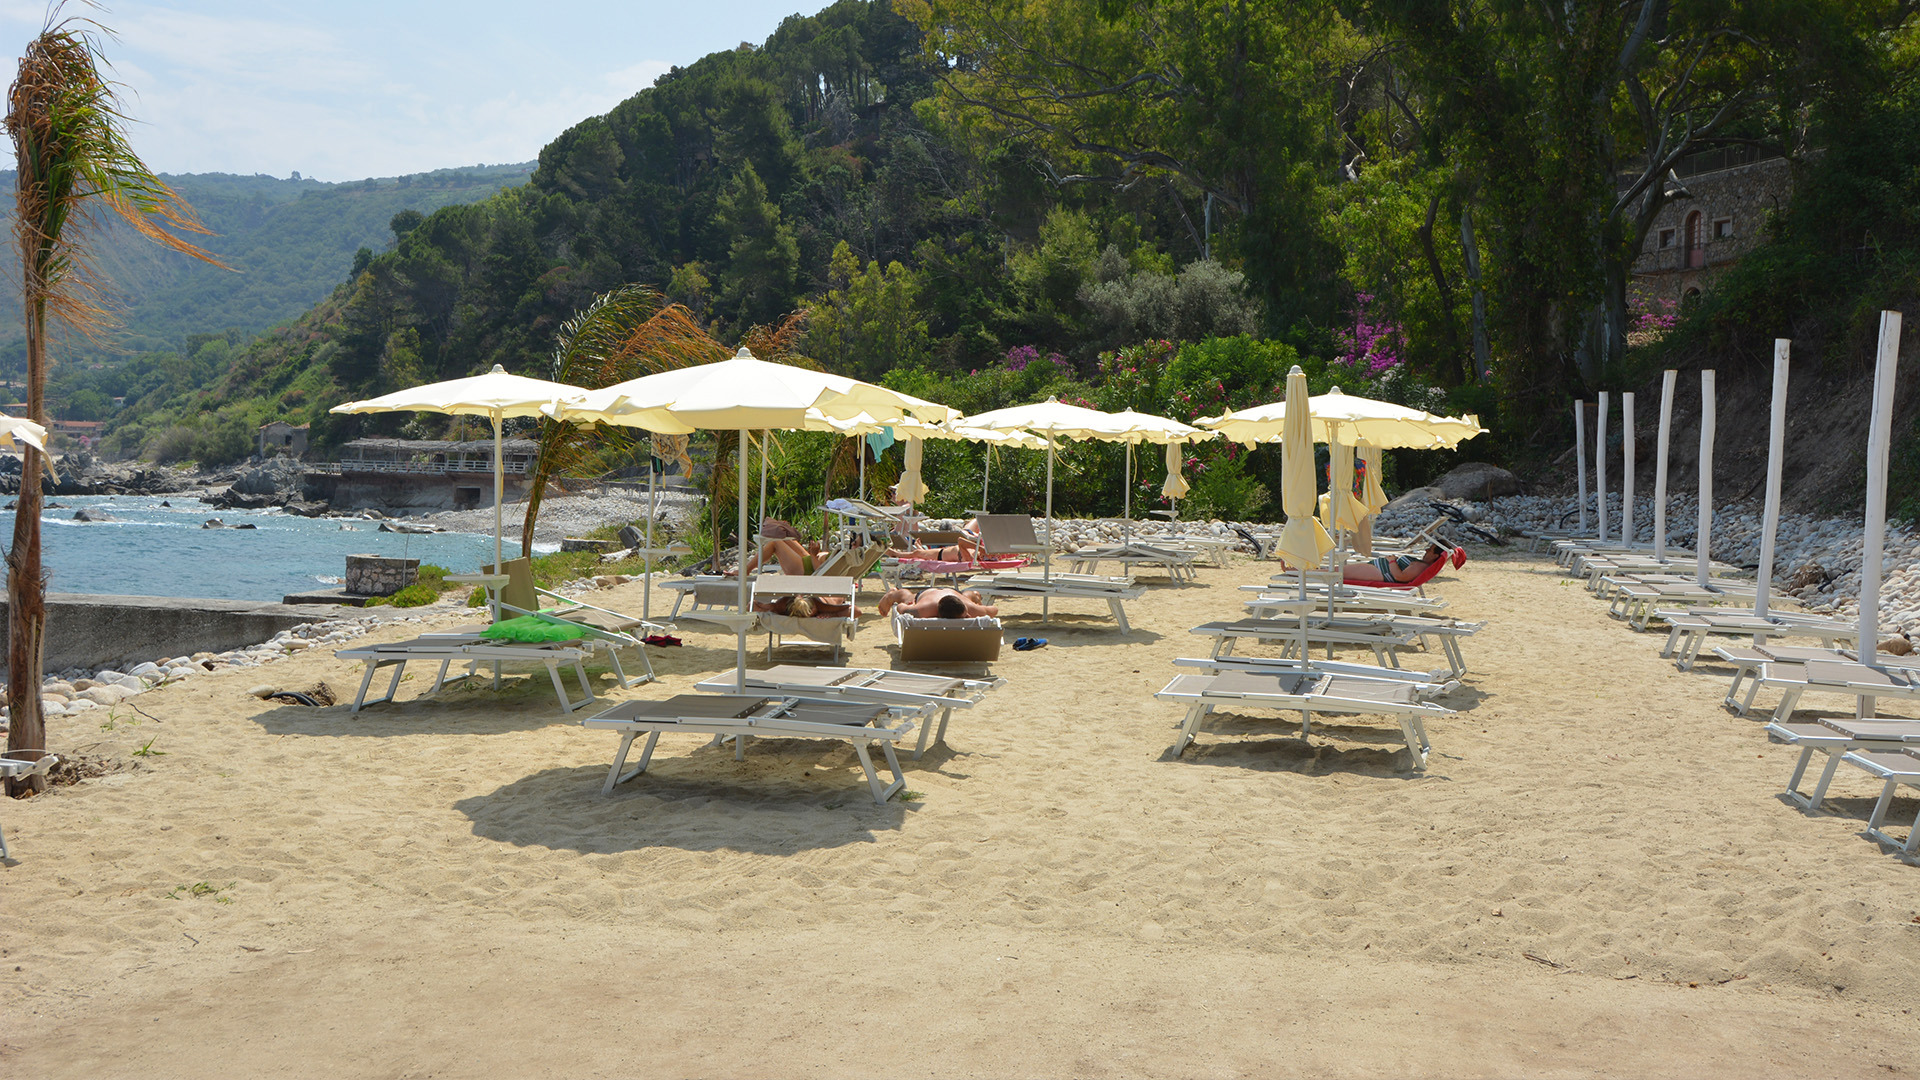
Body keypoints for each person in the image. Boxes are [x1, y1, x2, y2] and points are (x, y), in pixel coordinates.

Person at [877, 586, 998, 619]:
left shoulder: (967, 608)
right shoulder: (923, 609)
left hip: (954, 594)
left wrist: (976, 606)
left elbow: (994, 610)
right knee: (907, 597)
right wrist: (912, 605)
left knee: (968, 596)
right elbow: (901, 607)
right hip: (928, 595)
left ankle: (973, 595)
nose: (969, 616)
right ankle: (891, 594)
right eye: (965, 616)